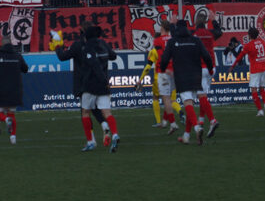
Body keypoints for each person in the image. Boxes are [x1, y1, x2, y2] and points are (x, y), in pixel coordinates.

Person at [56, 24, 121, 153]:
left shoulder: (84, 47)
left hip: (88, 84)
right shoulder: (102, 44)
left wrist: (57, 47)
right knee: (106, 112)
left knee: (85, 112)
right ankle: (114, 133)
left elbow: (93, 64)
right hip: (104, 85)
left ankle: (90, 141)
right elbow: (113, 56)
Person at [159, 20, 214, 145]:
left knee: (188, 103)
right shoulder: (196, 40)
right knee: (191, 105)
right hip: (196, 75)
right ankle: (186, 136)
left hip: (181, 76)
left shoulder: (173, 42)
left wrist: (162, 69)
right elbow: (207, 56)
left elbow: (165, 58)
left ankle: (197, 127)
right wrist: (210, 69)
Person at [134, 19, 182, 131]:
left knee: (158, 98)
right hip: (173, 73)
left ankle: (161, 122)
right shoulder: (173, 40)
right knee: (172, 100)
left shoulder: (156, 47)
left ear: (162, 29)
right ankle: (180, 113)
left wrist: (140, 79)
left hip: (160, 75)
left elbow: (148, 66)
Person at [0, 36, 28, 144]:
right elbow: (25, 69)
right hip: (14, 89)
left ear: (2, 44)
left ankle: (5, 120)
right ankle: (13, 137)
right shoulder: (17, 56)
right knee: (11, 113)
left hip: (1, 90)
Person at [227, 27, 265, 116]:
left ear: (249, 35)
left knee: (254, 89)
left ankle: (260, 111)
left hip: (255, 69)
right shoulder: (263, 43)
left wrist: (232, 66)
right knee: (262, 88)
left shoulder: (249, 45)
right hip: (264, 68)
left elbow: (240, 56)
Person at [193, 18, 222, 137]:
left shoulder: (195, 35)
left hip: (200, 68)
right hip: (212, 67)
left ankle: (212, 121)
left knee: (201, 96)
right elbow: (219, 32)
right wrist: (214, 20)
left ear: (196, 25)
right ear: (205, 25)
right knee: (203, 96)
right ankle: (201, 121)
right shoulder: (210, 33)